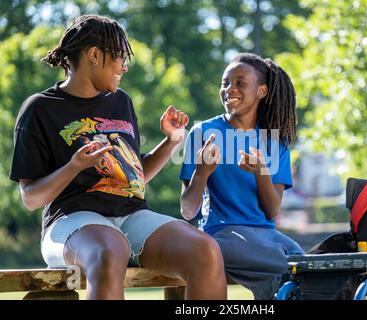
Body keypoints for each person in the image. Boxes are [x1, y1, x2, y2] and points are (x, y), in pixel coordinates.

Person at [9, 15, 226, 300]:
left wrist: (173, 141)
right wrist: (75, 166)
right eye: (120, 57)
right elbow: (31, 198)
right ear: (95, 55)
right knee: (109, 249)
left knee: (205, 250)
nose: (124, 67)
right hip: (71, 222)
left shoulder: (120, 101)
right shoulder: (39, 109)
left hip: (131, 216)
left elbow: (133, 177)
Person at [180, 53, 304, 300]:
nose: (229, 89)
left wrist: (262, 173)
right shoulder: (203, 132)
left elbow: (271, 211)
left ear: (261, 91)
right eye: (225, 83)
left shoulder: (275, 140)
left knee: (310, 268)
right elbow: (188, 211)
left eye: (239, 83)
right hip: (220, 235)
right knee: (286, 270)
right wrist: (202, 173)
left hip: (266, 235)